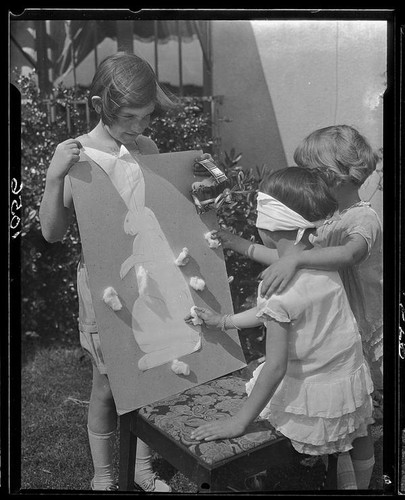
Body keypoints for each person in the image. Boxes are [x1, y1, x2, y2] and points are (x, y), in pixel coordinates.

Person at [39, 52, 210, 492]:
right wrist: (55, 178)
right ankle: (104, 476)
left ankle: (141, 469)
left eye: (147, 116)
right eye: (129, 117)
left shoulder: (147, 149)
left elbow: (168, 212)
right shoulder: (75, 154)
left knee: (151, 374)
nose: (139, 127)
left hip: (153, 275)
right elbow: (53, 233)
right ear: (99, 104)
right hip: (104, 283)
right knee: (107, 383)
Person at [186, 167, 375, 490]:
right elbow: (277, 309)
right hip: (344, 379)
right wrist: (225, 321)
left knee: (262, 378)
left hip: (310, 388)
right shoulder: (319, 260)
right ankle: (360, 482)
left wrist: (239, 421)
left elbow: (275, 367)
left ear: (267, 224)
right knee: (359, 434)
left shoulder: (277, 289)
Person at [259, 125, 383, 396]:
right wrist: (238, 245)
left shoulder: (363, 217)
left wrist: (297, 259)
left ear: (334, 178)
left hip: (364, 312)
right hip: (339, 313)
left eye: (309, 174)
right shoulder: (326, 217)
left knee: (373, 379)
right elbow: (286, 258)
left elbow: (349, 254)